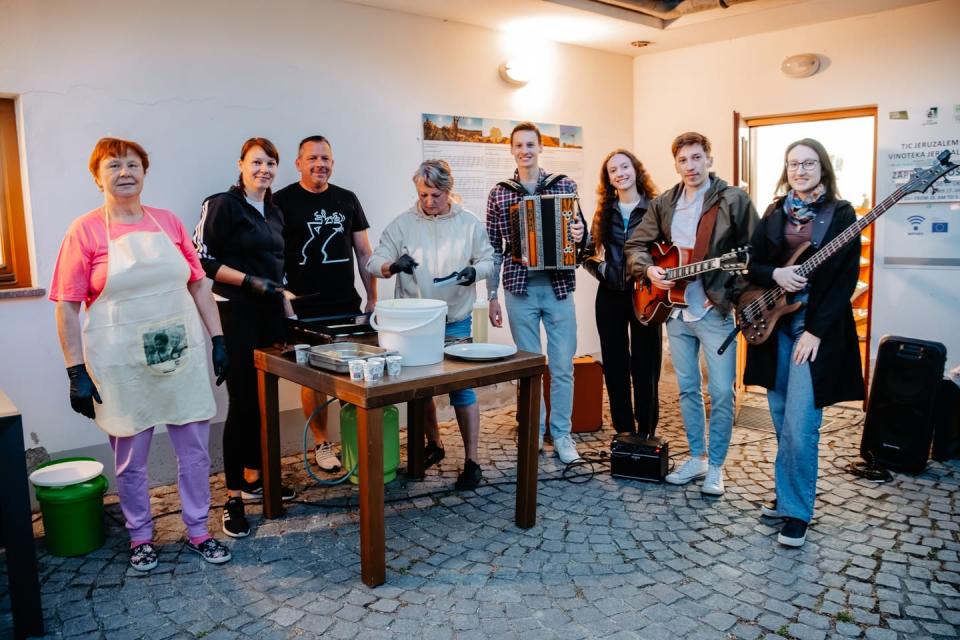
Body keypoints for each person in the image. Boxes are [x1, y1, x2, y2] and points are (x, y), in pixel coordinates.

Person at [51, 137, 231, 570]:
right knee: (131, 458)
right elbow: (67, 307)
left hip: (179, 353)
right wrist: (75, 370)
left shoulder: (168, 222)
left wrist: (218, 339)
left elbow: (198, 285)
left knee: (195, 452)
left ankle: (198, 530)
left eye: (133, 164)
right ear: (97, 178)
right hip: (121, 362)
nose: (125, 172)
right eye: (113, 166)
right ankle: (140, 536)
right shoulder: (85, 231)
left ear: (144, 173)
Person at [744, 138, 864, 546]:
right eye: (793, 163)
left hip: (812, 328)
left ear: (823, 167)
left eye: (808, 163)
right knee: (780, 418)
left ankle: (797, 512)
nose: (800, 170)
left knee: (800, 424)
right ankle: (786, 496)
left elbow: (846, 278)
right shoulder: (776, 211)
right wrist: (775, 274)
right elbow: (753, 263)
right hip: (775, 324)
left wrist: (816, 332)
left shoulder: (841, 213)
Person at [624, 131, 758, 495]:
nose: (690, 166)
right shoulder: (665, 202)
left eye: (697, 158)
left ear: (709, 159)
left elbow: (756, 251)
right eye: (683, 160)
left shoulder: (733, 199)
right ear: (676, 164)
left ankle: (716, 467)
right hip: (675, 311)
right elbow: (636, 244)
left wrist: (733, 289)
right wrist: (650, 269)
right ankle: (697, 457)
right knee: (687, 389)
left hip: (714, 309)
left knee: (722, 391)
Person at [366, 160, 494, 489]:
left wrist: (474, 272)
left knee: (462, 389)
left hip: (455, 321)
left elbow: (488, 260)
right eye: (423, 194)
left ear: (448, 191)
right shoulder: (403, 224)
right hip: (416, 324)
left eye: (435, 195)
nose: (428, 201)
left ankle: (472, 461)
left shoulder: (468, 223)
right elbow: (373, 262)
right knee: (419, 390)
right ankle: (434, 444)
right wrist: (393, 266)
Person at [193, 137, 296, 538]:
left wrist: (286, 307)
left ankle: (256, 478)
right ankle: (233, 496)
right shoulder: (222, 204)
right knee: (242, 403)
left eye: (270, 163)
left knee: (264, 399)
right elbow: (201, 259)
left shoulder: (275, 211)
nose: (263, 169)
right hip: (234, 312)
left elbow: (278, 267)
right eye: (256, 162)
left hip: (269, 315)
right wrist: (249, 281)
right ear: (240, 165)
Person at [273, 135, 377, 473]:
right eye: (313, 158)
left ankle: (354, 439)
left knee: (353, 375)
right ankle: (322, 443)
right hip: (304, 310)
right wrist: (283, 302)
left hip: (346, 305)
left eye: (326, 158)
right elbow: (273, 255)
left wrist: (373, 298)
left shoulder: (347, 199)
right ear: (298, 163)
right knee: (313, 378)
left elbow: (364, 252)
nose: (320, 164)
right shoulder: (281, 201)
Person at [486, 122, 587, 464]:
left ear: (540, 147)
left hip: (559, 289)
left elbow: (582, 235)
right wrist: (491, 295)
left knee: (562, 367)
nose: (525, 150)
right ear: (511, 150)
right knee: (529, 368)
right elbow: (493, 248)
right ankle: (533, 431)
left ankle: (562, 435)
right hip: (519, 290)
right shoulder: (500, 193)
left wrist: (579, 233)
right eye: (519, 145)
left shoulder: (564, 185)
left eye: (530, 144)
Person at [582, 149, 662, 437]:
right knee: (615, 364)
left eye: (624, 167)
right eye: (613, 170)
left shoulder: (656, 207)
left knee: (646, 363)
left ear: (636, 169)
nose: (620, 174)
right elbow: (587, 254)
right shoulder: (605, 211)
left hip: (647, 295)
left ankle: (647, 429)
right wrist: (604, 271)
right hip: (610, 294)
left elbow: (668, 250)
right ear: (608, 179)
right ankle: (624, 430)